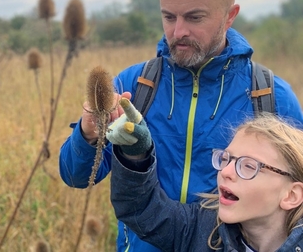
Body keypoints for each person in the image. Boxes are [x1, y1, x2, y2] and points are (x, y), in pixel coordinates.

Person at [59, 0, 303, 251]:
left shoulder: (270, 96)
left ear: (229, 16)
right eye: (169, 17)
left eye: (194, 17)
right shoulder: (134, 86)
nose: (178, 32)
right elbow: (76, 176)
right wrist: (88, 134)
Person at [110, 106, 303, 251]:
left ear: (291, 195)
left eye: (248, 166)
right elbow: (142, 210)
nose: (225, 171)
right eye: (226, 158)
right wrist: (135, 154)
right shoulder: (201, 230)